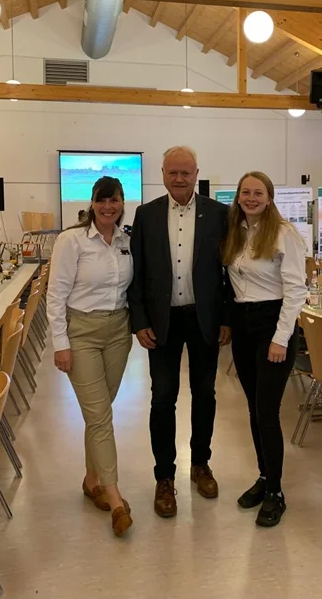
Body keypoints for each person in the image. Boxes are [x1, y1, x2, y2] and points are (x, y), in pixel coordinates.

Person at [129, 146, 231, 518]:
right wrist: (139, 321)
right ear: (162, 174)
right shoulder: (146, 215)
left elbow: (230, 271)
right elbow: (136, 273)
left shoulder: (219, 214)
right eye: (172, 172)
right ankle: (164, 477)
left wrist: (226, 318)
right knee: (162, 398)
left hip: (205, 320)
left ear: (196, 174)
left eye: (186, 172)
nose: (179, 179)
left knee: (204, 394)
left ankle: (201, 463)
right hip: (162, 323)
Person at [47, 176, 133, 538]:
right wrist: (60, 343)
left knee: (100, 412)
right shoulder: (72, 241)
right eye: (102, 200)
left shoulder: (127, 241)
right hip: (81, 333)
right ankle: (114, 498)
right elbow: (55, 294)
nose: (108, 207)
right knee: (99, 417)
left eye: (114, 200)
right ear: (92, 203)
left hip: (118, 332)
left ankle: (91, 479)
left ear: (122, 203)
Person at [223, 171, 307, 528]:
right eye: (246, 192)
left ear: (269, 198)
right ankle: (264, 475)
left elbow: (296, 290)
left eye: (258, 193)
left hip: (273, 324)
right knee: (254, 409)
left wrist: (280, 338)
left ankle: (275, 492)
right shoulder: (236, 232)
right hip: (243, 324)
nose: (251, 198)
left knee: (267, 412)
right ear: (238, 197)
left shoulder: (284, 234)